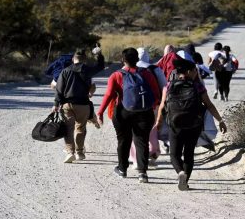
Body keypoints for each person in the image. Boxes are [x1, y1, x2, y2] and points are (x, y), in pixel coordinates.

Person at [155, 58, 227, 191]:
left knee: (175, 154)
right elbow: (209, 105)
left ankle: (180, 172)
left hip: (175, 125)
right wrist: (221, 121)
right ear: (189, 71)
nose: (196, 73)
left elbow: (162, 106)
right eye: (195, 71)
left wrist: (158, 122)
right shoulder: (198, 86)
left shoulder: (169, 86)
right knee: (189, 154)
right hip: (194, 125)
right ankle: (185, 181)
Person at [97, 48, 160, 183]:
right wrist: (152, 106)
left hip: (123, 112)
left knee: (123, 141)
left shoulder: (116, 75)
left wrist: (100, 112)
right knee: (142, 141)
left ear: (123, 60)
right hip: (144, 112)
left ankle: (122, 169)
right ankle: (142, 173)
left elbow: (109, 95)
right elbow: (155, 93)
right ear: (137, 59)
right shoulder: (147, 74)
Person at [52, 48, 104, 163]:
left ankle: (70, 152)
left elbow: (59, 89)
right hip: (83, 105)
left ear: (72, 59)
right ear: (84, 59)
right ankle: (79, 152)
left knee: (68, 129)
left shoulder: (65, 71)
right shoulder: (87, 70)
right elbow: (100, 66)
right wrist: (99, 54)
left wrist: (56, 103)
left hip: (67, 105)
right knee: (80, 128)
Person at [128, 47, 167, 169]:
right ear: (147, 56)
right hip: (152, 104)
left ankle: (134, 157)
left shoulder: (129, 68)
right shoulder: (154, 69)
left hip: (133, 105)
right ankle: (152, 152)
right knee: (152, 129)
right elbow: (164, 86)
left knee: (134, 131)